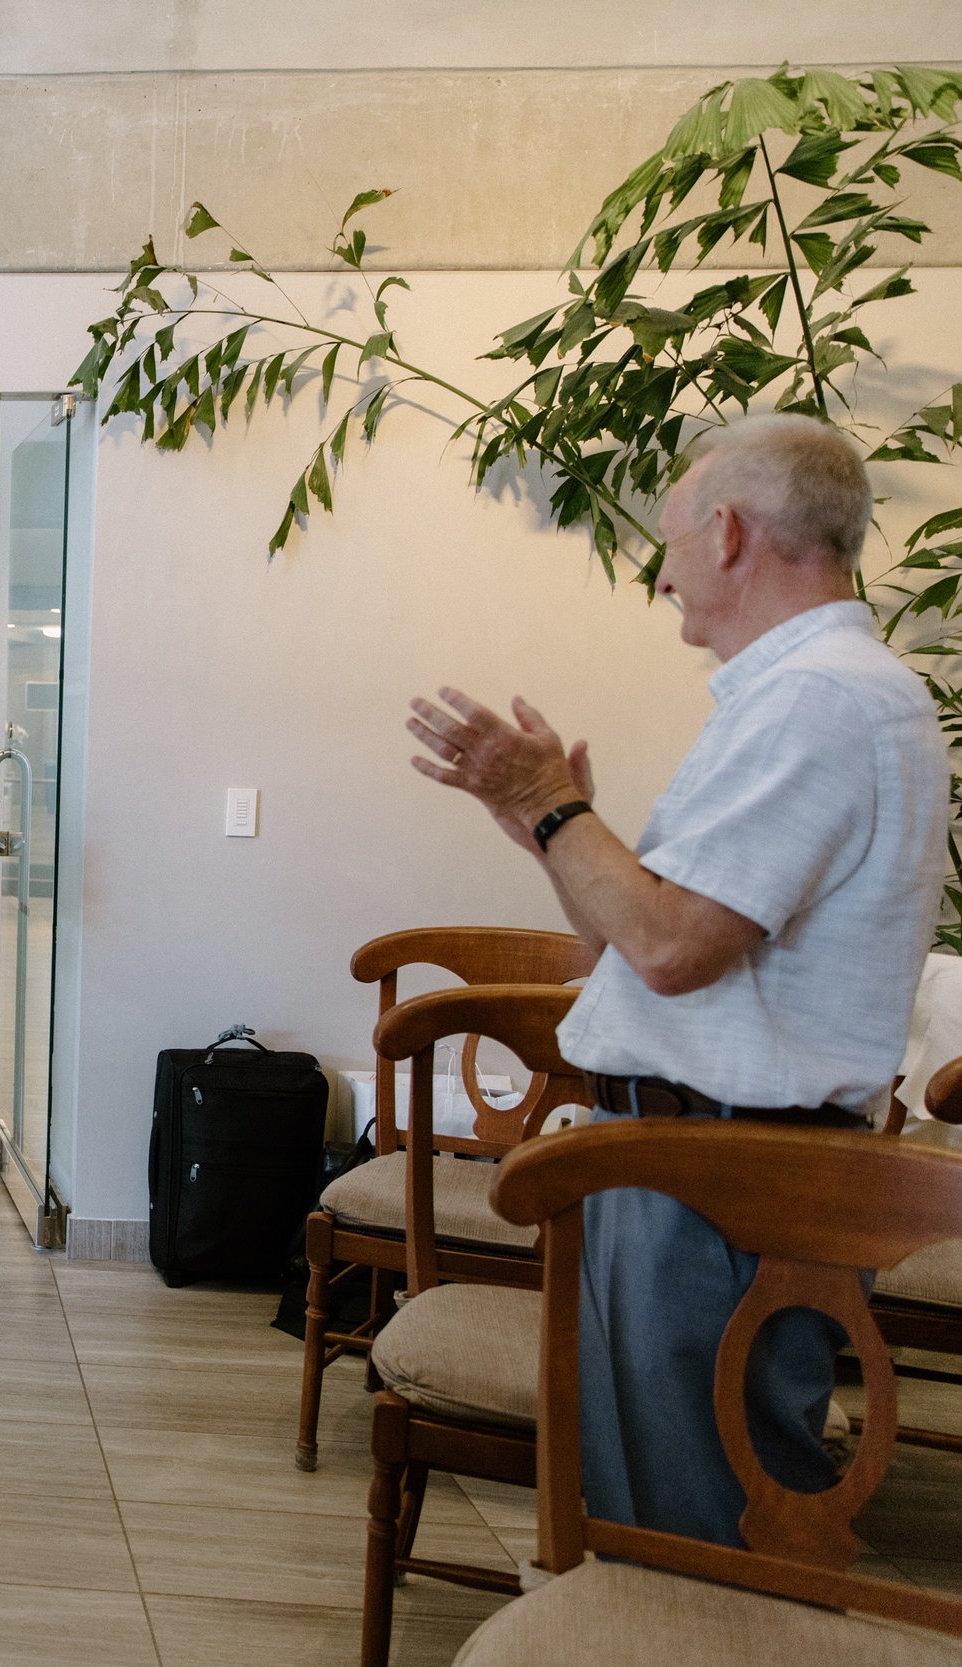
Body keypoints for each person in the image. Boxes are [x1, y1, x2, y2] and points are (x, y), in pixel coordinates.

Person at [404, 413, 942, 1546]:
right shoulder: (797, 694)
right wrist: (549, 831)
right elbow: (635, 945)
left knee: (699, 1535)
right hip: (687, 1159)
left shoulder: (821, 699)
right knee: (646, 1511)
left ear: (731, 531)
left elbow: (669, 948)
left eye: (668, 541)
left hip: (719, 1176)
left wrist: (557, 806)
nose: (658, 575)